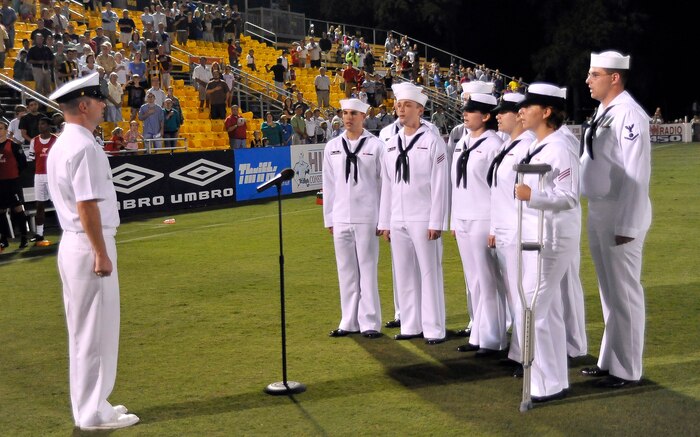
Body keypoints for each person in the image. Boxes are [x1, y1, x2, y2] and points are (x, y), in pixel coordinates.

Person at [46, 73, 140, 430]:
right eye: (99, 100)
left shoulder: (63, 143)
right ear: (83, 105)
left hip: (76, 244)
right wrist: (101, 253)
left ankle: (93, 403)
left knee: (85, 331)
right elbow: (87, 204)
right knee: (95, 332)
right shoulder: (83, 146)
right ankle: (91, 414)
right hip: (88, 245)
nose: (104, 105)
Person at [579, 51, 652, 389]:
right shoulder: (604, 111)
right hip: (599, 208)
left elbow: (637, 173)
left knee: (624, 292)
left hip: (620, 211)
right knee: (609, 292)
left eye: (595, 74)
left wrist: (628, 224)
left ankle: (627, 369)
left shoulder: (630, 114)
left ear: (615, 78)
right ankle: (610, 359)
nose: (588, 80)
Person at [514, 83, 579, 403]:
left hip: (552, 237)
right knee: (547, 310)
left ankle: (543, 384)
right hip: (536, 236)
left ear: (548, 111)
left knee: (535, 307)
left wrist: (532, 196)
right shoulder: (538, 145)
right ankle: (554, 381)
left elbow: (568, 197)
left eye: (529, 106)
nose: (521, 111)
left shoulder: (560, 147)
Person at [377, 82, 449, 344]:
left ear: (420, 110)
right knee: (404, 273)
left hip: (423, 216)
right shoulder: (390, 143)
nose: (401, 109)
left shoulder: (432, 141)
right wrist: (385, 222)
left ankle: (434, 328)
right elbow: (386, 184)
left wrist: (437, 220)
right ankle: (410, 324)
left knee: (429, 273)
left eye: (407, 105)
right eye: (398, 105)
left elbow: (441, 185)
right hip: (398, 218)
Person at [451, 92, 507, 356]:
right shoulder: (463, 142)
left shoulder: (494, 144)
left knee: (487, 280)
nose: (466, 113)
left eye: (471, 110)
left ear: (486, 116)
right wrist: (454, 218)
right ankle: (479, 333)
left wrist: (495, 226)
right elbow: (456, 185)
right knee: (474, 280)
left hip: (483, 216)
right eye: (465, 109)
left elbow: (497, 188)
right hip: (463, 216)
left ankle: (493, 338)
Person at [323, 98, 384, 339]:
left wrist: (383, 218)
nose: (348, 117)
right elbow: (328, 185)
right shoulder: (332, 146)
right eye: (345, 113)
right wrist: (329, 217)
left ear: (363, 117)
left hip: (368, 216)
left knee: (367, 270)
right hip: (340, 216)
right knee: (346, 270)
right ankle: (348, 320)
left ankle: (370, 322)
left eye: (354, 114)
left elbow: (383, 185)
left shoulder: (376, 146)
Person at [487, 92, 537, 372]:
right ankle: (518, 351)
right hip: (505, 230)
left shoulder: (526, 147)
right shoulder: (508, 145)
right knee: (513, 294)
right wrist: (495, 228)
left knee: (522, 296)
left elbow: (527, 196)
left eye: (502, 112)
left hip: (519, 230)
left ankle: (525, 355)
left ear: (518, 115)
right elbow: (499, 192)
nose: (497, 116)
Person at [0, 119, 29, 251]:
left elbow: (23, 164)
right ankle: (3, 239)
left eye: (1, 128)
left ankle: (24, 237)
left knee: (18, 209)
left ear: (6, 130)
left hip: (13, 182)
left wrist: (15, 176)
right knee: (0, 211)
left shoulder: (13, 146)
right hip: (0, 184)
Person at [28, 116, 56, 243]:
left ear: (49, 126)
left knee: (59, 203)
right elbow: (32, 159)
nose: (40, 126)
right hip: (39, 176)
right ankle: (39, 234)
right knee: (39, 204)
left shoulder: (56, 140)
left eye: (43, 124)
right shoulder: (34, 141)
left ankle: (70, 229)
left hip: (53, 175)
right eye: (39, 124)